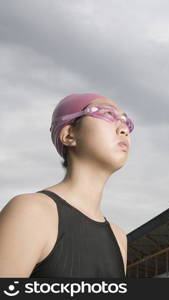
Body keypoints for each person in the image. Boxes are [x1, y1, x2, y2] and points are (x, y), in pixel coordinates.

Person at [0, 93, 134, 278]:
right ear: (69, 135)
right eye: (108, 114)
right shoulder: (32, 212)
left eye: (126, 121)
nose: (123, 129)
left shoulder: (119, 238)